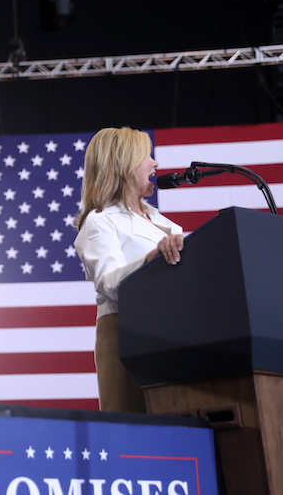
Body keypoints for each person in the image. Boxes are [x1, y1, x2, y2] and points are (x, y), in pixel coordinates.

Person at [74, 126, 185, 414]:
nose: (155, 164)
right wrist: (150, 260)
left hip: (175, 331)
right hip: (127, 334)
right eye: (146, 157)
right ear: (124, 165)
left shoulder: (160, 221)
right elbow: (110, 282)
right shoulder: (100, 221)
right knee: (137, 435)